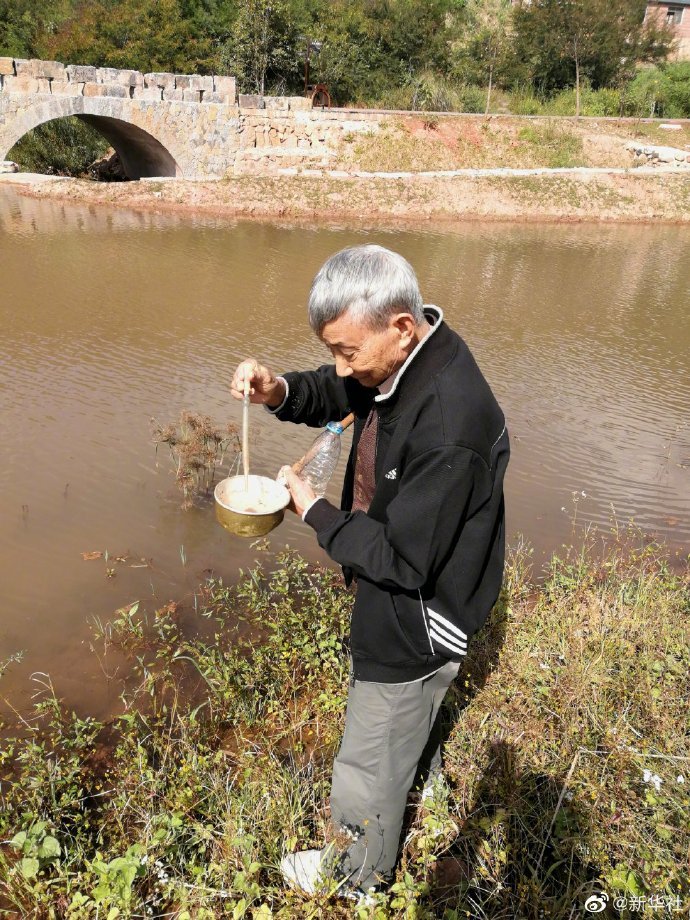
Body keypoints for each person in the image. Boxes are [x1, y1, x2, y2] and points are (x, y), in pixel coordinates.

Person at [230, 244, 509, 899]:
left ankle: (357, 878)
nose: (339, 365)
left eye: (346, 350)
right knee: (401, 728)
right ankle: (419, 777)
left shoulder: (447, 421)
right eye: (331, 349)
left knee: (369, 747)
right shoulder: (407, 356)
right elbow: (345, 387)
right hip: (407, 580)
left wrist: (316, 512)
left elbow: (400, 560)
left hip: (420, 613)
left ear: (400, 327)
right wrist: (280, 391)